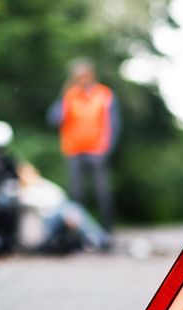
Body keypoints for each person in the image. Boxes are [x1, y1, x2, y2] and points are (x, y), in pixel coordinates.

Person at [47, 58, 120, 233]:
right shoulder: (69, 95)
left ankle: (107, 231)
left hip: (97, 150)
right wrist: (63, 96)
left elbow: (114, 123)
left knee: (102, 192)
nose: (82, 79)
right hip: (73, 150)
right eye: (78, 76)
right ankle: (81, 233)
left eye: (84, 75)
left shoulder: (105, 94)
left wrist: (107, 149)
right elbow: (53, 120)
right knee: (76, 194)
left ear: (92, 75)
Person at [17, 162, 111, 254]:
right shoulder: (20, 190)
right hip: (47, 222)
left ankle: (94, 238)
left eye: (29, 173)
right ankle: (97, 237)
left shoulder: (42, 184)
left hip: (59, 214)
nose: (27, 176)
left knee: (72, 209)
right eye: (24, 174)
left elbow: (60, 195)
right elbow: (36, 203)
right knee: (71, 209)